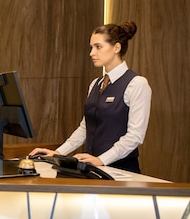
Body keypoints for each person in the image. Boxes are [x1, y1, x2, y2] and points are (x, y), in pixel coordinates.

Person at [30, 21, 151, 173]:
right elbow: (85, 128)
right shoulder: (96, 84)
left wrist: (102, 160)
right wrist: (59, 152)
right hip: (93, 170)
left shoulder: (137, 84)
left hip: (121, 172)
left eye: (98, 47)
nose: (91, 53)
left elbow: (135, 136)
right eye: (91, 47)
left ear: (117, 48)